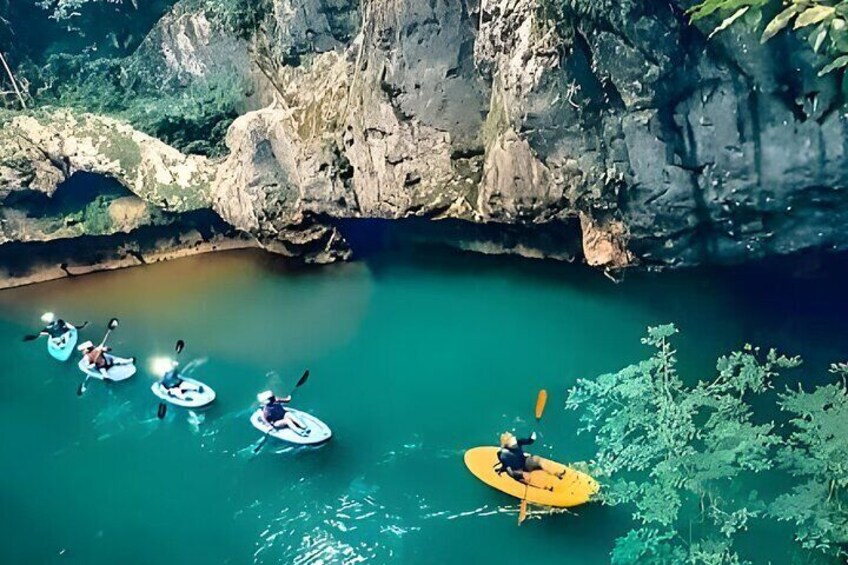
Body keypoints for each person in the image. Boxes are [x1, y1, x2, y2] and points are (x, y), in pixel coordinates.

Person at [495, 431, 566, 488]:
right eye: (511, 438)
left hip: (524, 462)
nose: (514, 437)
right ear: (508, 443)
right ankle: (544, 488)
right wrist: (521, 474)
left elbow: (529, 441)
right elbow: (508, 469)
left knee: (537, 461)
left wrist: (532, 437)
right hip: (516, 470)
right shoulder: (503, 455)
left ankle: (557, 474)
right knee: (525, 477)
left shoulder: (517, 442)